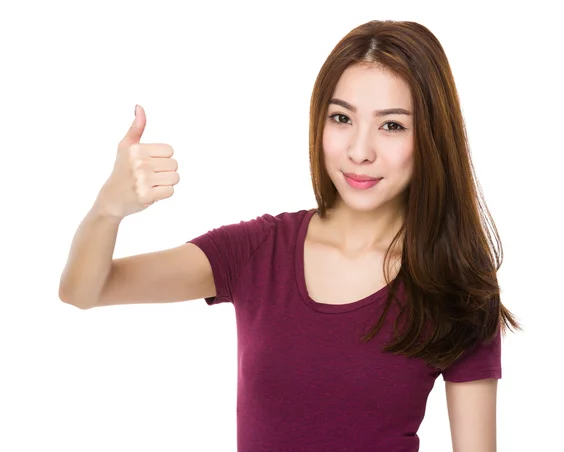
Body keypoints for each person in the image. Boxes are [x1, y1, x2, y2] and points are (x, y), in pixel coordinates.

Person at [59, 20, 521, 452]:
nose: (360, 151)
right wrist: (108, 209)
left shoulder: (455, 281)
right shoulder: (258, 251)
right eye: (342, 119)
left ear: (432, 138)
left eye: (392, 125)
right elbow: (85, 290)